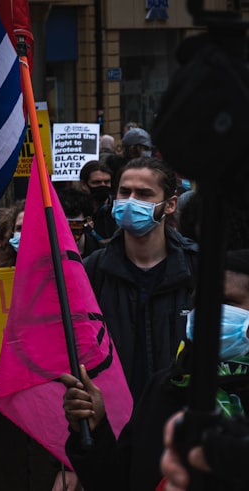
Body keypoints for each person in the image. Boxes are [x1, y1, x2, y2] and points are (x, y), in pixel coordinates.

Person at [63, 248, 249, 491]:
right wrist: (95, 429)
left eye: (226, 302)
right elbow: (119, 481)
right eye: (199, 303)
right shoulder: (167, 386)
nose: (207, 313)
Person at [83, 156, 196, 398]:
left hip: (178, 420)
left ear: (170, 204)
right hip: (113, 420)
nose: (131, 201)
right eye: (125, 192)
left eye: (144, 194)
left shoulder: (195, 268)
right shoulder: (93, 270)